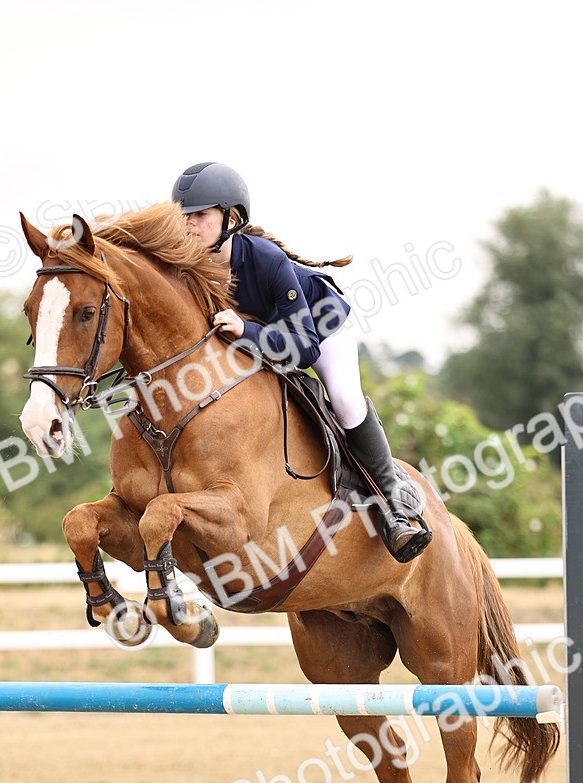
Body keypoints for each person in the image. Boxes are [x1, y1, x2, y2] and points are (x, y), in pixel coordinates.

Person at [171, 162, 431, 564]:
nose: (189, 225)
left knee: (344, 400)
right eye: (184, 216)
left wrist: (246, 332)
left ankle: (393, 506)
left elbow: (305, 349)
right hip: (261, 336)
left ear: (231, 217)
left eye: (200, 215)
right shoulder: (188, 266)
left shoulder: (265, 259)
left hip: (321, 329)